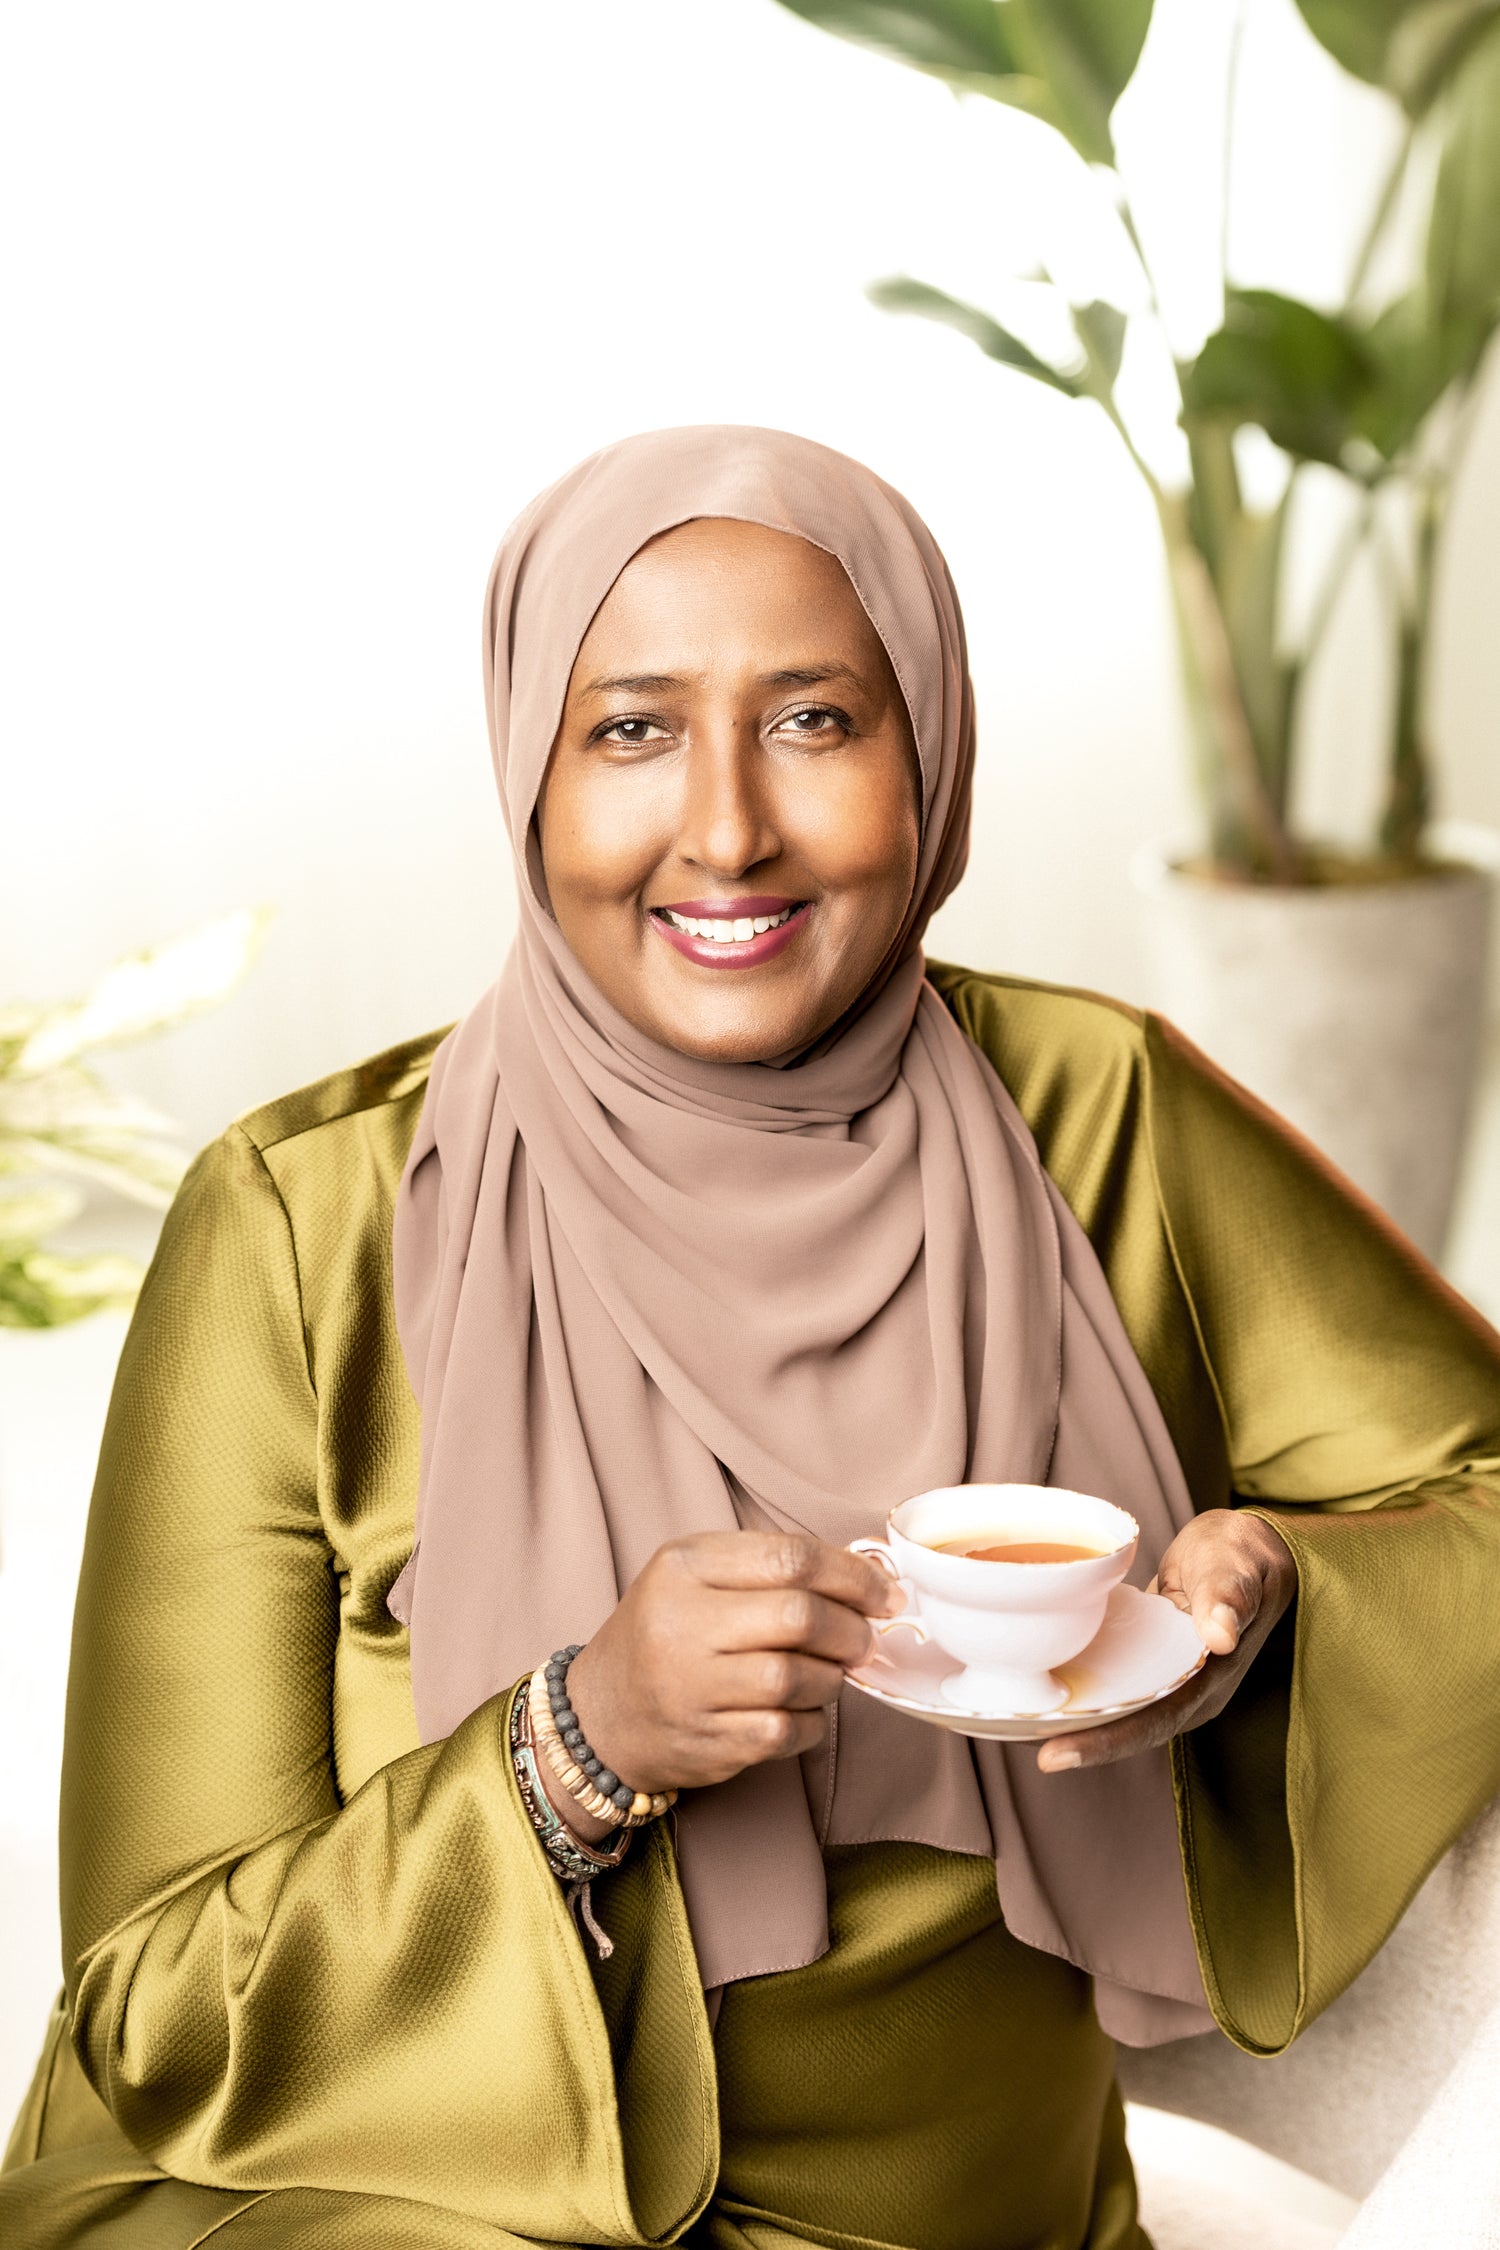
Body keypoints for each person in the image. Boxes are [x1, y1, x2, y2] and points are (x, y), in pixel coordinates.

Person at [5, 426, 1500, 2250]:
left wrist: (1275, 1600)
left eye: (814, 720)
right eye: (630, 728)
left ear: (931, 753)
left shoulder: (1098, 1117)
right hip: (385, 2203)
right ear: (528, 776)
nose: (725, 826)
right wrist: (575, 1741)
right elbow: (148, 2013)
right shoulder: (298, 1225)